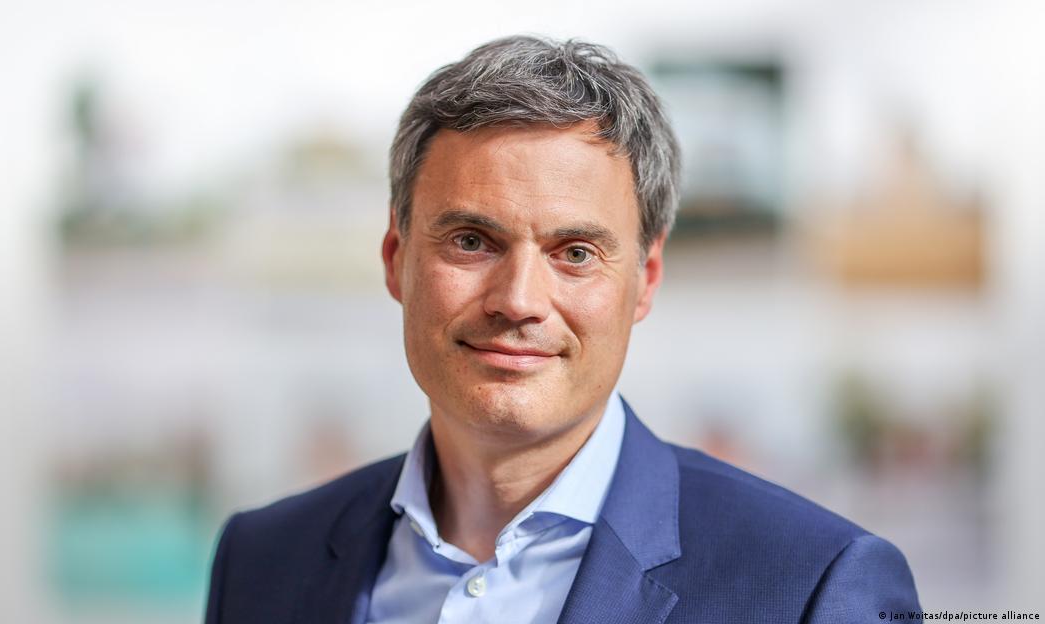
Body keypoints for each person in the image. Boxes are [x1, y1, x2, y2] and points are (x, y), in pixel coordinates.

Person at [203, 35, 921, 624]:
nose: (518, 301)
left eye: (575, 253)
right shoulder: (261, 561)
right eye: (471, 242)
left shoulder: (813, 587)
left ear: (646, 280)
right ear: (396, 260)